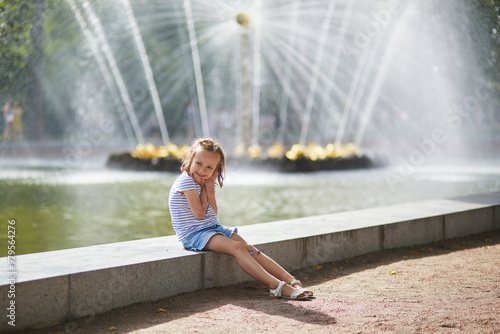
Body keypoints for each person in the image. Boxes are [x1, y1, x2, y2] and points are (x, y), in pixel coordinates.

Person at [168, 138, 313, 300]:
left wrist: (209, 188)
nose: (202, 170)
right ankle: (277, 286)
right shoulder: (187, 181)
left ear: (216, 169)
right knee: (237, 247)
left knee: (249, 247)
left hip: (211, 228)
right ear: (190, 159)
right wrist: (204, 187)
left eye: (209, 167)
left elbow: (212, 212)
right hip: (194, 235)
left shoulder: (202, 181)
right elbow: (200, 215)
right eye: (199, 164)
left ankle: (291, 280)